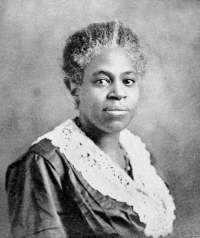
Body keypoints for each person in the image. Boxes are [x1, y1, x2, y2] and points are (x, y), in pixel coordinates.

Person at [5, 21, 176, 238]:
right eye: (103, 81)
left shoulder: (140, 155)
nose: (118, 93)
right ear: (74, 88)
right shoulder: (44, 164)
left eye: (128, 81)